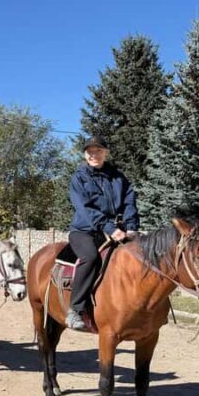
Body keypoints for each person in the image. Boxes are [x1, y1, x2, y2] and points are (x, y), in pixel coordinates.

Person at [67, 135, 139, 331]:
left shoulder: (118, 177)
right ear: (85, 154)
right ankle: (75, 309)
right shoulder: (79, 178)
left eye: (98, 151)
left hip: (117, 230)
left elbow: (129, 201)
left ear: (105, 153)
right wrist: (109, 228)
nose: (94, 154)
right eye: (90, 151)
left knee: (142, 256)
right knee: (90, 258)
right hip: (85, 230)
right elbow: (84, 208)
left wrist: (131, 226)